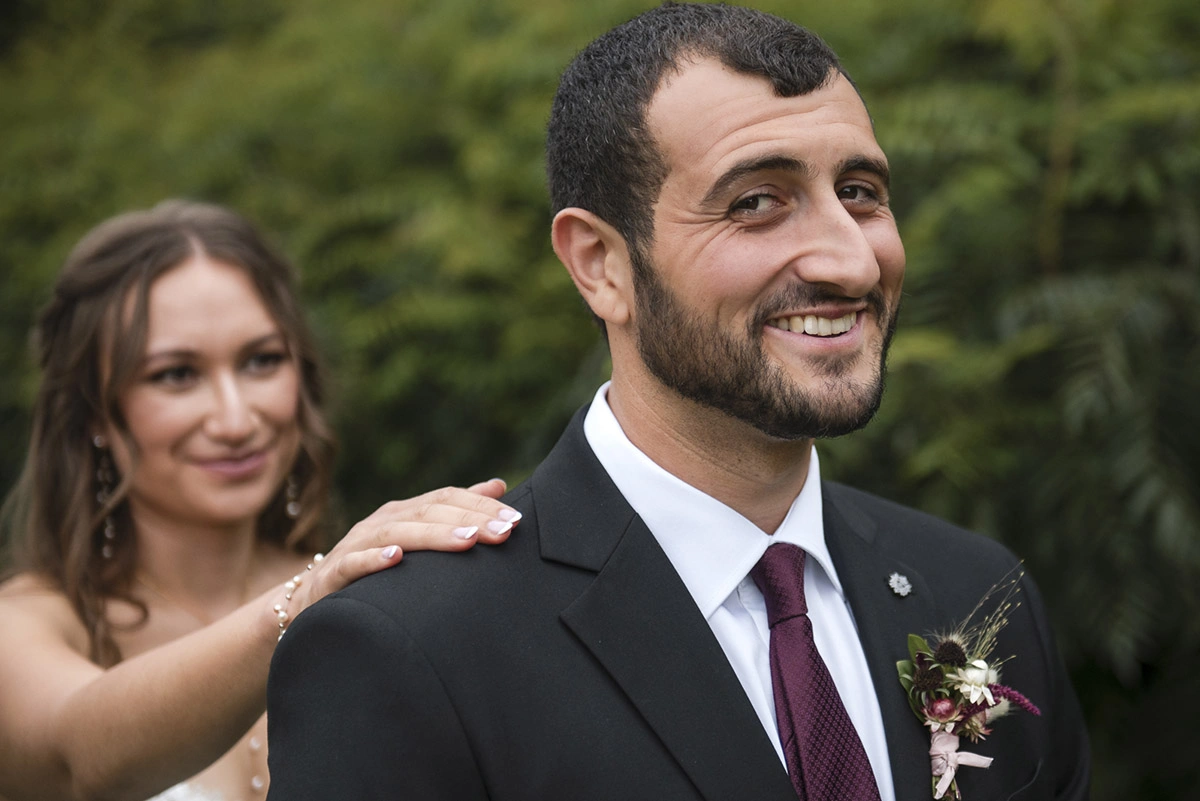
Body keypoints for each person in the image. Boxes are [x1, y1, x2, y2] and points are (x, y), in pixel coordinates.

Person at [265, 4, 1090, 800]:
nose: (853, 262)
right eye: (757, 202)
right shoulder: (414, 647)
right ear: (600, 265)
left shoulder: (980, 594)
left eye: (862, 192)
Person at [0, 199, 524, 801]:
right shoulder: (26, 627)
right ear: (94, 411)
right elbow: (79, 759)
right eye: (176, 374)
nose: (235, 418)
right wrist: (303, 600)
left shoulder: (375, 598)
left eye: (261, 361)